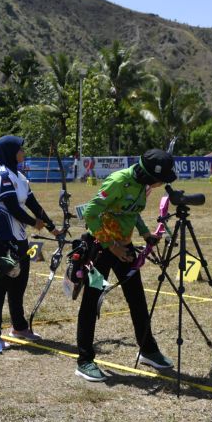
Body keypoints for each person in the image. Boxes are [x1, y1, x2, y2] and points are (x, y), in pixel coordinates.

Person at [73, 149, 176, 381]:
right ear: (151, 176)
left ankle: (148, 350)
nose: (162, 184)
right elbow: (90, 213)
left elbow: (131, 212)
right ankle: (84, 360)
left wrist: (145, 233)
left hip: (124, 249)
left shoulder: (141, 186)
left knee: (137, 299)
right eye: (161, 179)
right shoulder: (119, 181)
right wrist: (112, 246)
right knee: (91, 301)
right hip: (100, 248)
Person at [0, 135, 61, 353]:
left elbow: (33, 204)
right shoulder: (1, 176)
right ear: (10, 152)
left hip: (19, 240)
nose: (23, 152)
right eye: (20, 149)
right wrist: (34, 223)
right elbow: (13, 207)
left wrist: (52, 227)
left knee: (18, 285)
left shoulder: (19, 176)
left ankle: (19, 327)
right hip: (1, 241)